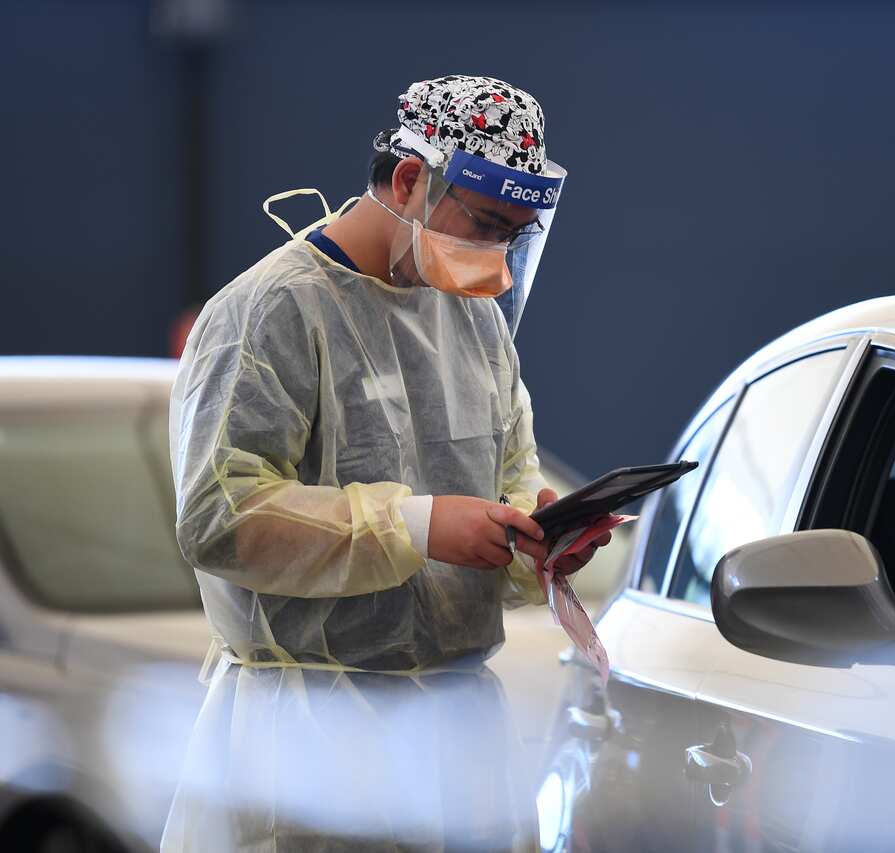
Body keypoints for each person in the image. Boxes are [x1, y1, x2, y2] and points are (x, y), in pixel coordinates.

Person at [163, 75, 611, 851]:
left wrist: (536, 538)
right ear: (408, 180)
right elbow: (217, 516)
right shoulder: (272, 310)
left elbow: (510, 477)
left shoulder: (476, 324)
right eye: (486, 224)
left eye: (515, 233)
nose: (496, 257)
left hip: (458, 745)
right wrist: (417, 524)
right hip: (309, 742)